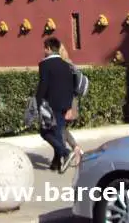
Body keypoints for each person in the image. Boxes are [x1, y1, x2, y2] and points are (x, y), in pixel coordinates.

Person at [35, 37, 75, 173]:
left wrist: (37, 102)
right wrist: (69, 105)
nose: (44, 50)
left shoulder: (44, 65)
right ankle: (56, 164)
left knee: (45, 132)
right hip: (64, 103)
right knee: (57, 133)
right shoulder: (66, 65)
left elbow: (43, 86)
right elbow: (71, 86)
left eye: (45, 48)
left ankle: (66, 153)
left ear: (50, 49)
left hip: (51, 105)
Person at [58, 43, 84, 167]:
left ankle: (65, 155)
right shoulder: (70, 64)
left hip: (66, 102)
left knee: (60, 128)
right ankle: (75, 148)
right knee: (61, 128)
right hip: (71, 101)